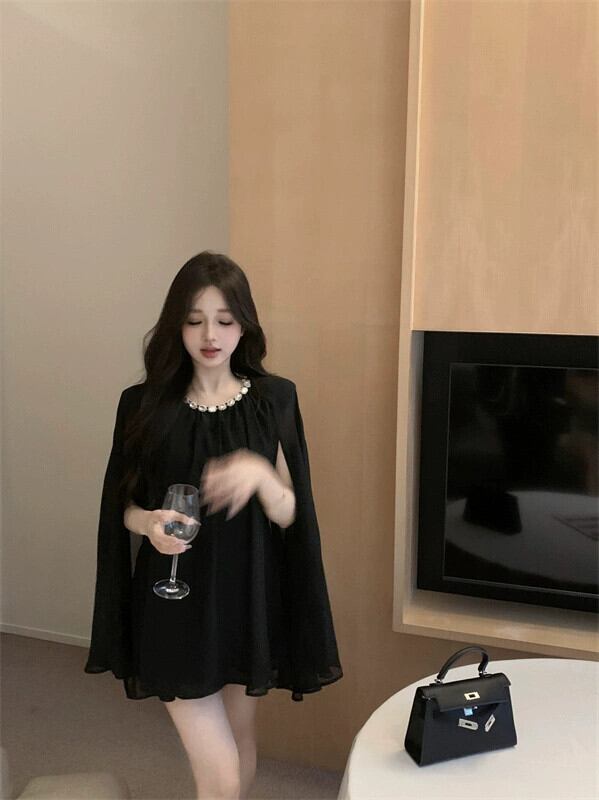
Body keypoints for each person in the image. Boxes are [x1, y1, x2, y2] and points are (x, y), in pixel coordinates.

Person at [84, 251, 343, 800]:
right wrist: (149, 522)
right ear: (175, 325)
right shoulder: (143, 405)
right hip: (173, 599)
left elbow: (290, 512)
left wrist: (260, 474)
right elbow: (122, 507)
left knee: (240, 741)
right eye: (195, 320)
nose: (210, 335)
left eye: (224, 321)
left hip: (246, 596)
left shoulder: (274, 400)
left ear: (244, 325)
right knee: (220, 773)